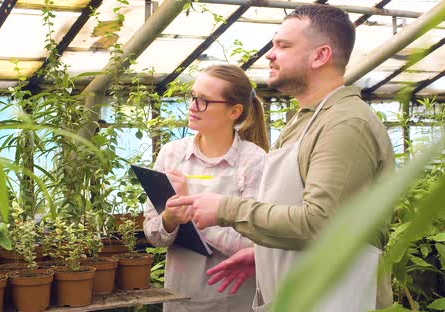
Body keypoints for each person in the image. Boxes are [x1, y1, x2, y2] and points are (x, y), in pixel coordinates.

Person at [166, 4, 395, 312]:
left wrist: (226, 209)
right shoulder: (306, 120)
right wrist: (262, 254)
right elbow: (293, 207)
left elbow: (321, 223)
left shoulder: (345, 124)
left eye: (283, 45)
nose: (269, 55)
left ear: (320, 56)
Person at [143, 64, 268, 312]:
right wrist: (169, 218)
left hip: (231, 302)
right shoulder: (172, 154)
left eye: (204, 101)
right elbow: (153, 234)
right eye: (192, 97)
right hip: (178, 298)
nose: (192, 106)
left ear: (234, 110)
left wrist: (189, 206)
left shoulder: (254, 161)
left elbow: (255, 245)